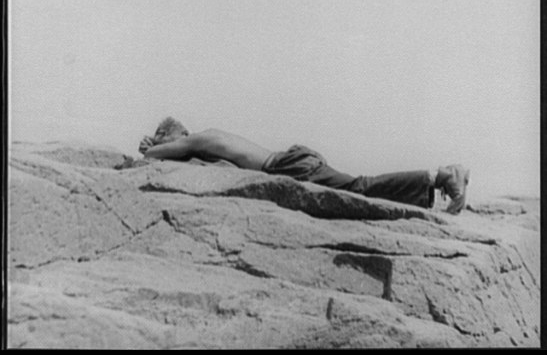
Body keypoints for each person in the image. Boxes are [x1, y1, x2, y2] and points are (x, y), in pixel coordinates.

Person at [138, 117, 470, 214]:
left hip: (286, 167)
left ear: (173, 137)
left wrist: (151, 149)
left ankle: (442, 175)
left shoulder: (199, 138)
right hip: (291, 162)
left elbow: (156, 157)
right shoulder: (208, 147)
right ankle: (431, 189)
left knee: (360, 189)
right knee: (359, 190)